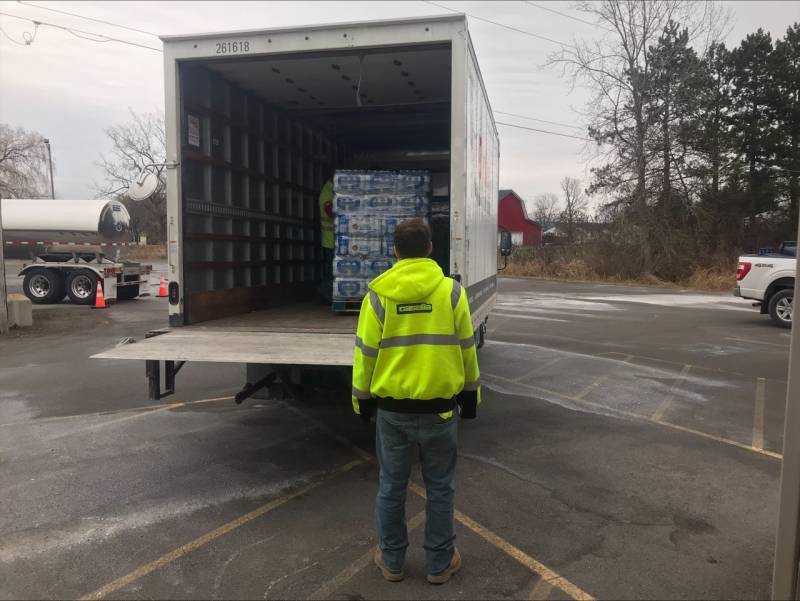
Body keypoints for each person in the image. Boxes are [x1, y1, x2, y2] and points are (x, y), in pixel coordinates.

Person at [351, 218, 481, 585]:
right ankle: (440, 564)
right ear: (429, 249)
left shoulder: (377, 296)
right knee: (440, 486)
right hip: (440, 409)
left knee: (391, 485)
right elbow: (467, 348)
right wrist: (471, 395)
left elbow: (365, 354)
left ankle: (391, 560)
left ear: (394, 250)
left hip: (393, 412)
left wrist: (361, 399)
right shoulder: (451, 293)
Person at [319, 177, 335, 302]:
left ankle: (326, 294)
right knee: (330, 269)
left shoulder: (332, 191)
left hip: (335, 239)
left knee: (331, 269)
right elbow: (331, 212)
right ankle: (325, 296)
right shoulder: (327, 193)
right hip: (330, 240)